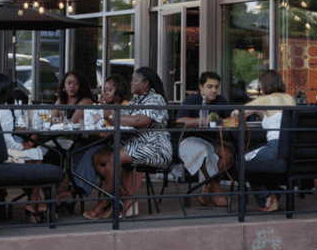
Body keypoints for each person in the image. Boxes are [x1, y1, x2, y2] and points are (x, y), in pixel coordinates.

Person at [86, 67, 171, 220]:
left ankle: (106, 201)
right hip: (130, 146)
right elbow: (117, 118)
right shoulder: (136, 100)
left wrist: (112, 116)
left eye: (135, 79)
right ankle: (127, 199)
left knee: (115, 157)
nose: (131, 83)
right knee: (99, 157)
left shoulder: (155, 99)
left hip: (154, 148)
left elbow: (140, 120)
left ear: (146, 84)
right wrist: (107, 111)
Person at [176, 70, 235, 207]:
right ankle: (217, 192)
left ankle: (207, 188)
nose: (214, 90)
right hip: (190, 141)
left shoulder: (221, 101)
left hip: (211, 141)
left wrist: (220, 121)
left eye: (216, 87)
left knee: (228, 154)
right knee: (203, 152)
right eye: (210, 86)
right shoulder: (191, 100)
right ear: (201, 86)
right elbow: (179, 121)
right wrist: (201, 120)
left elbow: (232, 121)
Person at [243, 69, 295, 213]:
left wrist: (255, 109)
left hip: (275, 148)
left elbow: (238, 112)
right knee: (262, 162)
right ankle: (272, 195)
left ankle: (268, 196)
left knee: (245, 162)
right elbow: (279, 117)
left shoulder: (266, 99)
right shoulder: (290, 99)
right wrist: (262, 112)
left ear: (264, 85)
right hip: (291, 149)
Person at [72, 73, 130, 202]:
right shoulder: (107, 106)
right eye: (104, 90)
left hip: (124, 147)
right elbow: (100, 124)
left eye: (109, 90)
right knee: (78, 151)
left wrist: (103, 109)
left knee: (89, 153)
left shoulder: (126, 105)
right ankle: (73, 188)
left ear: (119, 90)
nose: (105, 93)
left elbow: (118, 122)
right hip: (109, 143)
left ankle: (76, 189)